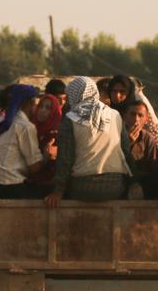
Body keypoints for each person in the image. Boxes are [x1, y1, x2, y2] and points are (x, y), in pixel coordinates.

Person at [45, 76, 131, 207]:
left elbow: (65, 158)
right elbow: (126, 151)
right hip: (115, 187)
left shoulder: (70, 118)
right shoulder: (115, 115)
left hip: (82, 188)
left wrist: (58, 191)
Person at [0, 84, 48, 199]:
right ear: (29, 103)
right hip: (12, 188)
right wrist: (47, 155)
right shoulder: (25, 126)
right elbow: (34, 167)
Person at [121, 101, 158, 199]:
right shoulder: (116, 134)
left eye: (140, 115)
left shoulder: (148, 139)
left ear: (146, 119)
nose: (135, 119)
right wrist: (127, 143)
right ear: (125, 117)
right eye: (132, 114)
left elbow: (156, 168)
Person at [27, 93, 63, 192]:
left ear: (54, 112)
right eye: (41, 106)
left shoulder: (56, 135)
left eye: (48, 108)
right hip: (30, 182)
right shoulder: (31, 128)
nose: (42, 110)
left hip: (48, 186)